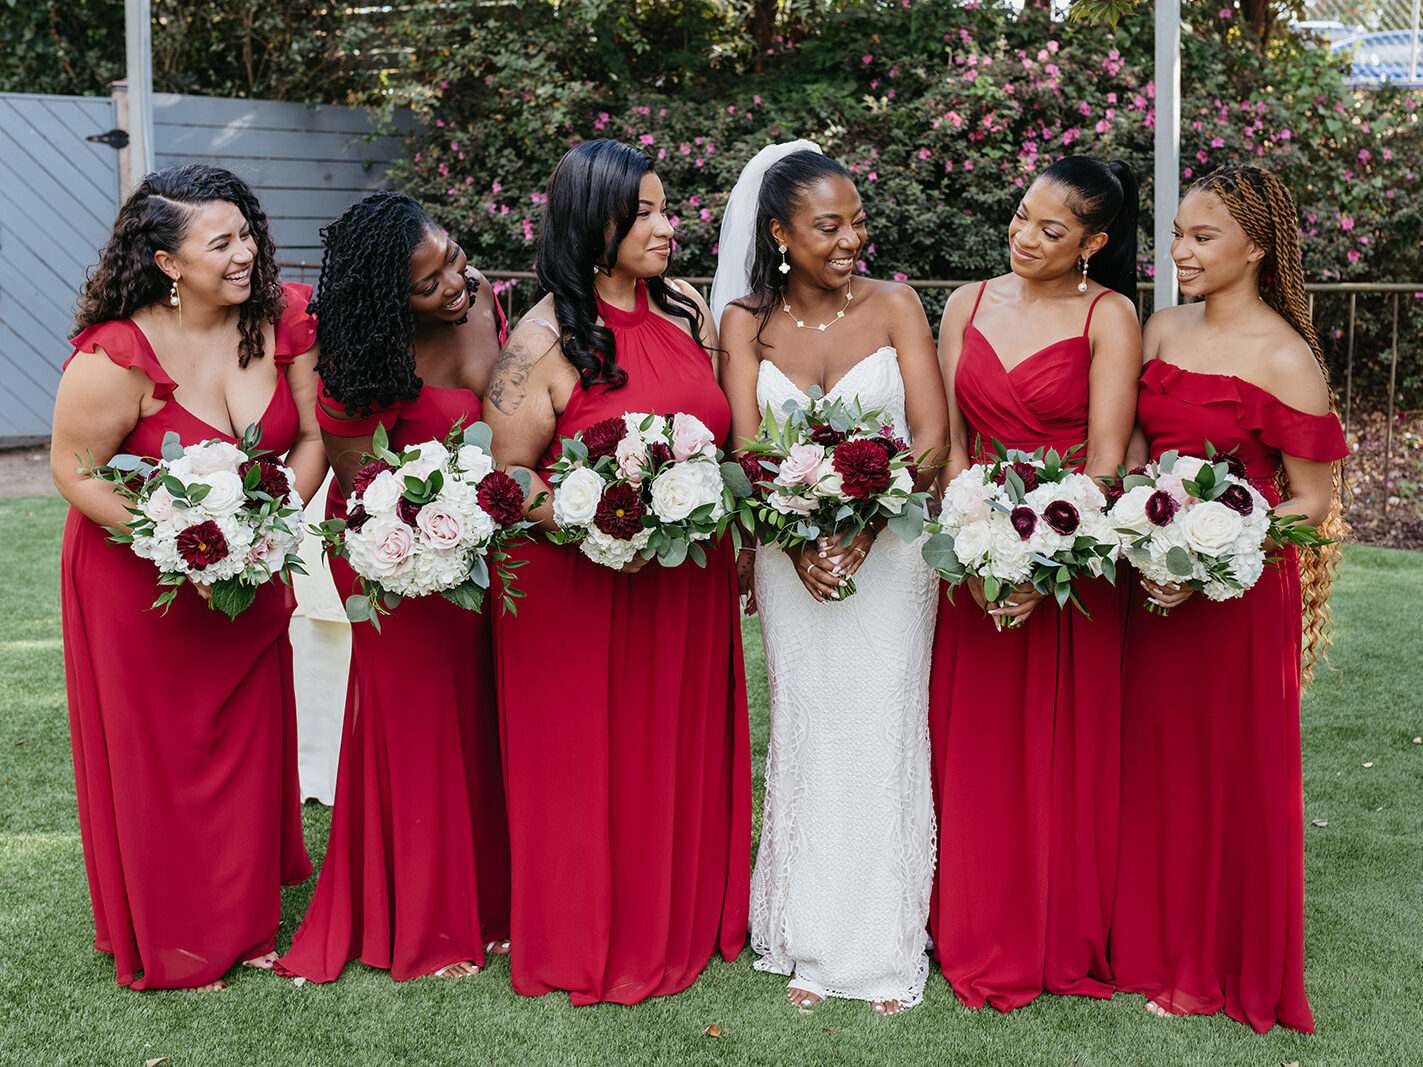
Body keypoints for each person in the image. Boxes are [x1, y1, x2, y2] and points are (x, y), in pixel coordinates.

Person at [484, 139, 750, 1005]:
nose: (667, 227)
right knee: (587, 763)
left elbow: (712, 432)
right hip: (581, 591)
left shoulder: (684, 308)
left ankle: (678, 910)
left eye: (665, 208)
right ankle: (588, 932)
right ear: (590, 220)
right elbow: (507, 480)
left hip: (682, 582)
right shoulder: (538, 336)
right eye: (643, 212)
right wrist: (593, 508)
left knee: (669, 749)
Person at [50, 163, 322, 991]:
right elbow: (74, 469)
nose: (245, 254)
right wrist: (182, 541)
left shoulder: (286, 321)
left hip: (251, 565)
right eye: (222, 242)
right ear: (168, 262)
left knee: (245, 742)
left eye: (246, 233)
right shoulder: (117, 355)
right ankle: (176, 932)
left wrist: (264, 530)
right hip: (140, 581)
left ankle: (243, 923)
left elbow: (308, 439)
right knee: (165, 756)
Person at [1109, 165, 1348, 1033]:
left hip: (1239, 594)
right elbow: (1136, 440)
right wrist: (1144, 529)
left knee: (1226, 771)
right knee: (1154, 765)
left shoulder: (1286, 357)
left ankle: (1213, 958)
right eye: (1176, 233)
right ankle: (1142, 941)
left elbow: (1309, 502)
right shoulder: (1160, 327)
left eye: (1202, 238)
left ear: (1256, 248)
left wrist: (1208, 556)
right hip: (1152, 580)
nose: (1178, 250)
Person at [714, 144, 948, 1015]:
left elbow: (929, 439)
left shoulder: (895, 305)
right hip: (788, 560)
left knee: (881, 724)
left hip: (887, 558)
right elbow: (743, 450)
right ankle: (806, 935)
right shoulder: (742, 322)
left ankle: (885, 945)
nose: (852, 237)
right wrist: (795, 534)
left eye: (856, 219)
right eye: (827, 225)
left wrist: (863, 522)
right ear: (777, 233)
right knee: (808, 727)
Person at [276, 191, 511, 982]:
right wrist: (426, 539)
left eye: (453, 256)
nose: (457, 280)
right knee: (417, 727)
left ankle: (496, 902)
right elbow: (363, 491)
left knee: (484, 717)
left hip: (486, 551)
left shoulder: (487, 306)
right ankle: (428, 923)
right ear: (386, 298)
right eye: (430, 280)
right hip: (396, 559)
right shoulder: (354, 360)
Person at [927, 156, 1142, 1010]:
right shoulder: (964, 303)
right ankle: (969, 919)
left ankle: (1055, 929)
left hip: (1070, 566)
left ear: (1090, 243)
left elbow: (1101, 465)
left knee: (1060, 754)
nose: (1023, 236)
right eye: (1020, 216)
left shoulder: (1109, 315)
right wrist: (975, 552)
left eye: (1050, 231)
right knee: (972, 750)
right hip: (973, 554)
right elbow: (950, 448)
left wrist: (1040, 563)